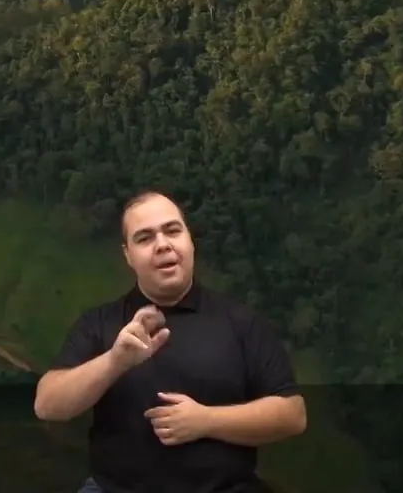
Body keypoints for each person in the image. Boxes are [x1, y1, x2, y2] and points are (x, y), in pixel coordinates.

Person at [33, 191, 306, 493]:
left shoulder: (241, 322)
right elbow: (48, 405)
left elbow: (292, 414)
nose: (162, 244)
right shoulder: (99, 323)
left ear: (190, 241)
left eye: (173, 231)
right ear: (128, 255)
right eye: (145, 238)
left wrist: (206, 420)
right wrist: (114, 361)